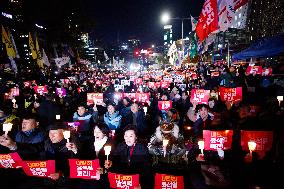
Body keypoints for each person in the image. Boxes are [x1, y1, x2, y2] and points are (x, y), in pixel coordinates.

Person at [106, 125, 152, 189]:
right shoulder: (120, 147)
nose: (128, 138)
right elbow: (114, 162)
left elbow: (146, 170)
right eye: (126, 136)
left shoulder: (142, 149)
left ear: (136, 137)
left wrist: (142, 185)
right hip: (122, 181)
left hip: (135, 182)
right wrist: (110, 164)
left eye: (131, 136)